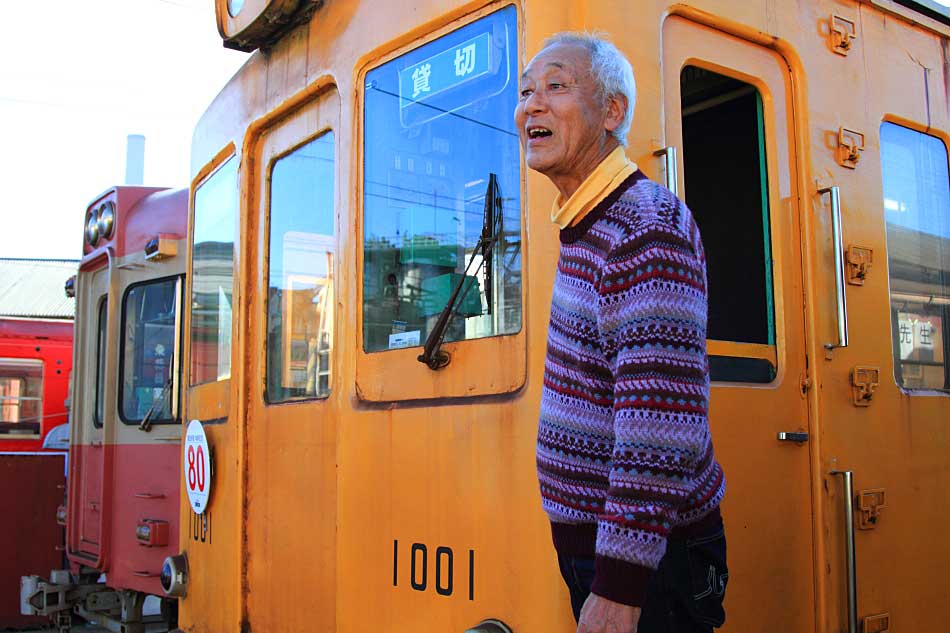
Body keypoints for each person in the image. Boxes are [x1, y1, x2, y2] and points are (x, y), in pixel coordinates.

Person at [516, 33, 728, 633]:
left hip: (648, 564)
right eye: (526, 91)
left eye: (556, 86)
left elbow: (660, 424)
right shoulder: (591, 221)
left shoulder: (644, 226)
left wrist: (619, 587)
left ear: (612, 112)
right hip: (607, 552)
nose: (532, 105)